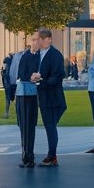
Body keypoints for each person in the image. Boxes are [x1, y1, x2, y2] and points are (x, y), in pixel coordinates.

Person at [34, 28, 68, 165]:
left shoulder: (56, 55)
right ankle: (52, 155)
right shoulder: (37, 55)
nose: (43, 41)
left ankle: (52, 156)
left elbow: (58, 76)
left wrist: (41, 80)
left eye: (45, 39)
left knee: (50, 126)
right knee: (50, 126)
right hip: (43, 97)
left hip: (53, 98)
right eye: (42, 39)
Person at [15, 34, 41, 167]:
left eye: (37, 40)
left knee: (30, 125)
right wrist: (31, 77)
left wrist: (34, 77)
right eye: (34, 40)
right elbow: (21, 74)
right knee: (23, 125)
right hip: (22, 95)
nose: (35, 42)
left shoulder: (40, 57)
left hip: (32, 95)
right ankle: (25, 154)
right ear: (30, 42)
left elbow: (40, 74)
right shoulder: (24, 56)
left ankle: (30, 155)